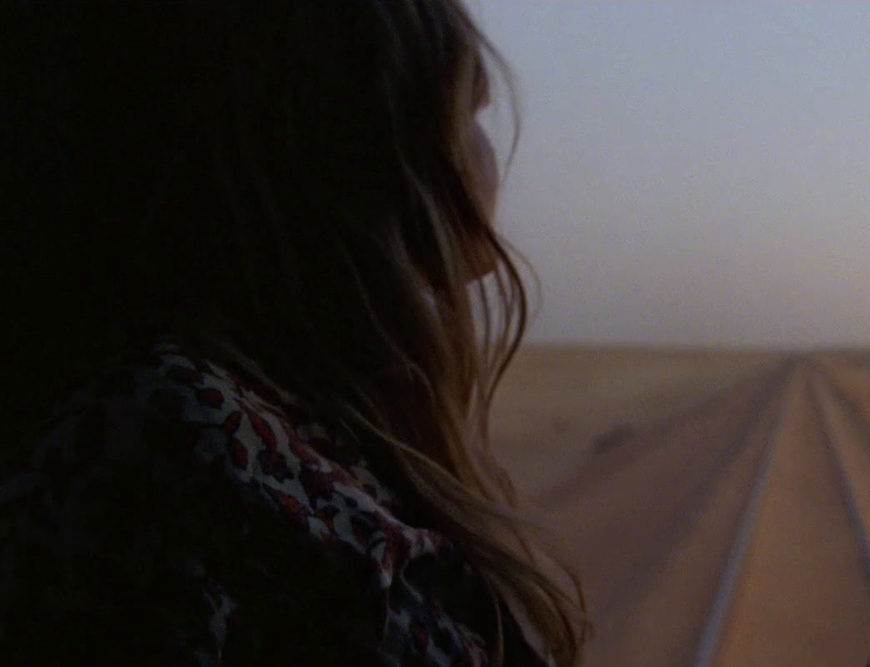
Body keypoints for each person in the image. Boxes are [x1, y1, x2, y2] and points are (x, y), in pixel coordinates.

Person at [0, 2, 581, 665]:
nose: (489, 154)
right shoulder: (173, 436)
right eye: (469, 111)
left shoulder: (315, 429)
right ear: (370, 143)